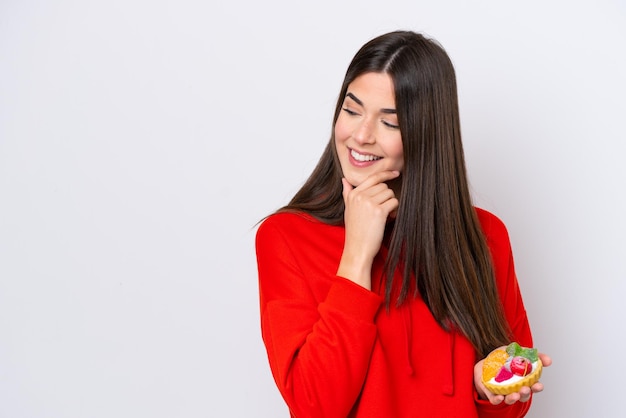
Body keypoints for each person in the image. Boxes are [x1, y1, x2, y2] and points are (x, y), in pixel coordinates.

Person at [255, 30, 551, 418]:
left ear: (427, 134)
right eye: (352, 109)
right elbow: (314, 407)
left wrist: (485, 388)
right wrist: (358, 254)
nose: (360, 136)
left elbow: (511, 404)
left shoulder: (485, 236)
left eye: (389, 123)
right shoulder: (286, 237)